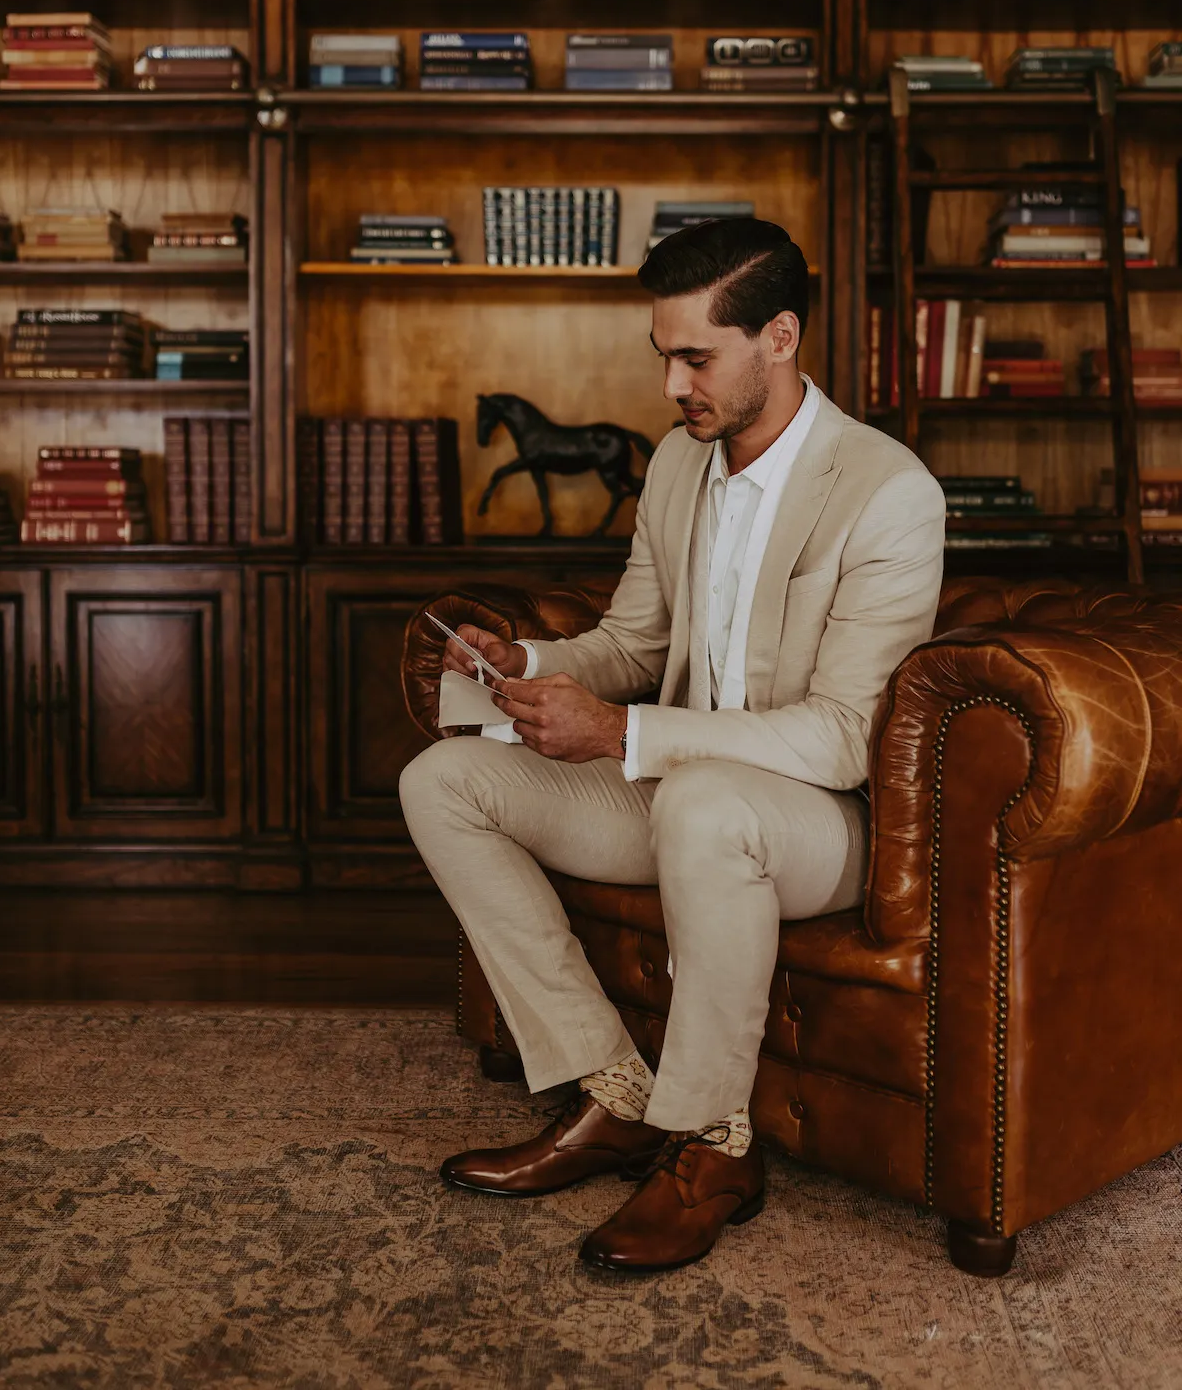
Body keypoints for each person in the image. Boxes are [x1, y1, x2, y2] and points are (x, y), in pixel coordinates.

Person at [400, 217, 945, 1272]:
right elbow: (632, 641)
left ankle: (713, 1144)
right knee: (446, 777)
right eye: (664, 354)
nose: (670, 385)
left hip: (814, 820)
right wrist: (528, 657)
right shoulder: (676, 468)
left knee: (704, 802)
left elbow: (840, 737)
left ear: (779, 336)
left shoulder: (886, 490)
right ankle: (615, 1090)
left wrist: (625, 732)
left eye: (695, 356)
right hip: (676, 791)